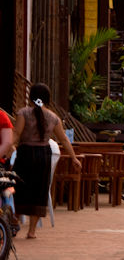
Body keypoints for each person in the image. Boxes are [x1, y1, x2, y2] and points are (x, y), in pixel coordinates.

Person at [13, 83, 81, 239]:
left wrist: (5, 146)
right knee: (39, 190)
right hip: (43, 155)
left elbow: (16, 134)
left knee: (18, 188)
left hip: (25, 154)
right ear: (48, 99)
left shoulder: (23, 113)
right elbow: (63, 139)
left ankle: (14, 223)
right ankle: (31, 231)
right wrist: (74, 158)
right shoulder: (53, 117)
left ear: (31, 97)